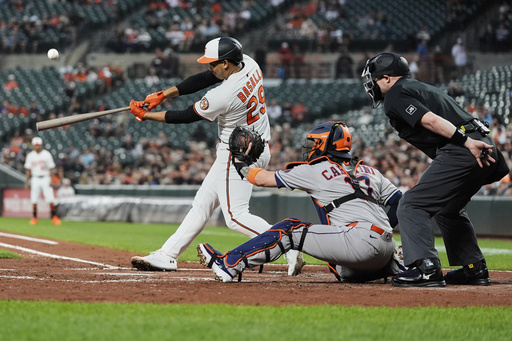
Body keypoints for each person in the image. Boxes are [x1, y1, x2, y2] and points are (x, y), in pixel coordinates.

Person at [128, 36, 304, 275]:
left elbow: (186, 116)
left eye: (213, 63)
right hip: (255, 144)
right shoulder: (249, 63)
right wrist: (163, 94)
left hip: (239, 153)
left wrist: (145, 115)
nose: (209, 67)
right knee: (202, 204)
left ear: (226, 63)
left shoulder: (224, 94)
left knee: (235, 216)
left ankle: (289, 244)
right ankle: (167, 255)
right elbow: (205, 78)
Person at [361, 52, 510, 287]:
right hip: (484, 146)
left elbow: (430, 120)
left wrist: (466, 143)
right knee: (447, 209)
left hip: (466, 148)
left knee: (411, 204)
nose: (372, 85)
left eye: (375, 79)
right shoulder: (418, 87)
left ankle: (425, 268)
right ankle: (473, 268)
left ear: (388, 78)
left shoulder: (396, 93)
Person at [197, 121, 405, 283]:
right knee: (340, 270)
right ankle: (395, 267)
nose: (309, 148)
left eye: (314, 143)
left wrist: (241, 164)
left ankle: (229, 264)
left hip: (359, 242)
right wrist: (379, 230)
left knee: (289, 229)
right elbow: (401, 203)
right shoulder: (371, 171)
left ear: (324, 144)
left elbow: (261, 179)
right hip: (386, 248)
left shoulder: (314, 170)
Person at [24, 137, 62, 226]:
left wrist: (52, 180)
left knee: (50, 198)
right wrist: (26, 182)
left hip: (45, 177)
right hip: (35, 178)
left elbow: (51, 168)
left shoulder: (46, 154)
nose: (37, 147)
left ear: (41, 145)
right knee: (34, 199)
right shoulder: (30, 155)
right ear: (33, 146)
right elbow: (28, 170)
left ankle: (54, 217)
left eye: (38, 145)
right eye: (35, 145)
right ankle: (34, 218)